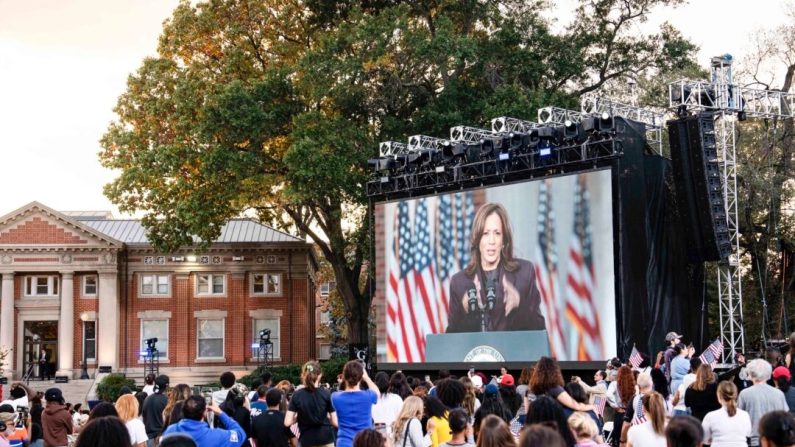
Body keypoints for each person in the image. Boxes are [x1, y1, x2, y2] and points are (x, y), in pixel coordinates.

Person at [446, 203, 545, 333]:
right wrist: (464, 310)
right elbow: (451, 342)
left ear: (503, 241)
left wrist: (519, 305)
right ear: (477, 239)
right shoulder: (459, 283)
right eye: (485, 233)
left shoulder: (524, 273)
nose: (491, 241)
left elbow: (539, 330)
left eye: (497, 233)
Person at [284, 360, 337, 447]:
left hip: (307, 439)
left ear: (303, 375)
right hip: (326, 438)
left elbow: (287, 422)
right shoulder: (326, 393)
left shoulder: (297, 395)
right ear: (319, 375)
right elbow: (335, 422)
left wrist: (298, 417)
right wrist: (325, 416)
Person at [739, 359, 790, 446]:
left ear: (751, 374)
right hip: (775, 440)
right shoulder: (778, 394)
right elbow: (785, 417)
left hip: (754, 440)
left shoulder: (745, 394)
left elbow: (739, 418)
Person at [162, 396, 245, 447]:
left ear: (183, 411)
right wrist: (221, 413)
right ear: (205, 412)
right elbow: (240, 434)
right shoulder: (217, 436)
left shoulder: (170, 430)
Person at [331, 360, 379, 447]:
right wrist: (367, 378)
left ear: (344, 377)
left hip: (344, 442)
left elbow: (332, 419)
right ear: (361, 377)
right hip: (365, 442)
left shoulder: (335, 397)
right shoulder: (368, 395)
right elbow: (377, 393)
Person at [529, 357, 593, 413]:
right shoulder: (554, 388)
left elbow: (527, 410)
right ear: (554, 370)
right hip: (552, 424)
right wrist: (592, 407)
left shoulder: (532, 389)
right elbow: (576, 406)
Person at [701, 381, 751, 447]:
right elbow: (748, 434)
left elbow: (705, 439)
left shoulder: (710, 416)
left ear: (718, 396)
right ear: (735, 395)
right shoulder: (745, 415)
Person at [372, 371, 403, 436]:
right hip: (392, 437)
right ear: (389, 383)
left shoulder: (370, 400)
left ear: (375, 383)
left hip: (374, 437)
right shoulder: (397, 399)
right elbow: (402, 419)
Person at [142, 374, 170, 439]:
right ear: (167, 385)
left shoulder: (147, 399)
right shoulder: (167, 401)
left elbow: (144, 417)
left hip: (148, 437)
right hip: (162, 437)